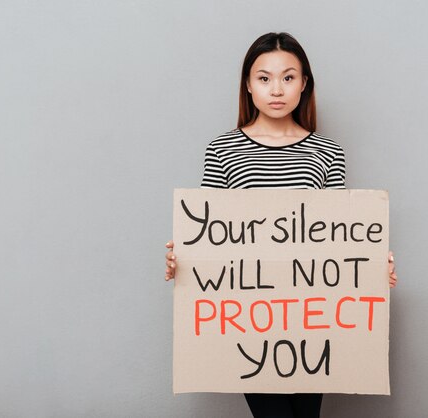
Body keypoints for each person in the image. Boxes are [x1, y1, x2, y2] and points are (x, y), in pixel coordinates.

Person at [164, 31, 398, 418]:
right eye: (264, 77)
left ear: (304, 84)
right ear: (248, 85)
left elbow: (338, 236)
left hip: (311, 322)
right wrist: (182, 261)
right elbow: (208, 234)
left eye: (288, 77)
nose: (277, 88)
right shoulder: (222, 149)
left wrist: (371, 267)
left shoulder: (328, 152)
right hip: (247, 324)